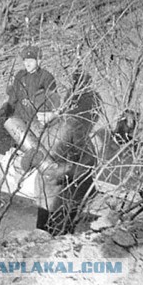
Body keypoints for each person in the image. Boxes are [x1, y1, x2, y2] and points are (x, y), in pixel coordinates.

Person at [22, 69, 101, 235]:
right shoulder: (37, 128)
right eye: (38, 114)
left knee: (59, 241)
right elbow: (25, 165)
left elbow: (89, 161)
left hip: (66, 199)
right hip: (44, 197)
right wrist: (29, 159)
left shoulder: (72, 126)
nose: (40, 118)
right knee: (41, 238)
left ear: (56, 110)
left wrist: (63, 171)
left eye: (44, 114)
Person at [0, 45, 61, 132]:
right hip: (19, 119)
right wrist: (8, 115)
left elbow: (53, 100)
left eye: (31, 61)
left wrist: (49, 116)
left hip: (36, 120)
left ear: (39, 61)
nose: (27, 64)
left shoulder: (46, 77)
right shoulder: (20, 75)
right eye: (25, 61)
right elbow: (13, 98)